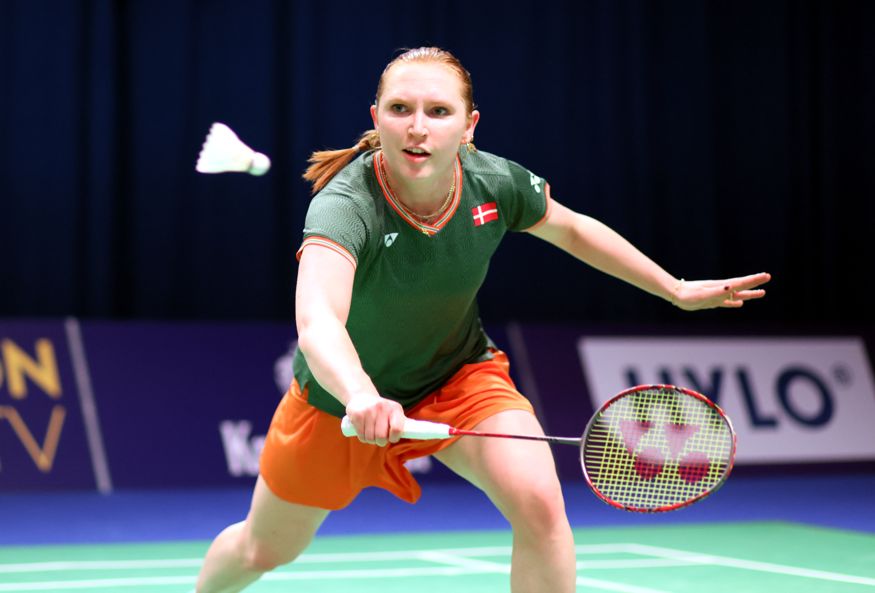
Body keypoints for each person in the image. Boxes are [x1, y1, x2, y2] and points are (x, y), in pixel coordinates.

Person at [194, 46, 770, 593]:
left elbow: (570, 227)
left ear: (468, 126)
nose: (418, 126)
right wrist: (361, 395)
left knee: (539, 503)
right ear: (378, 117)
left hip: (457, 377)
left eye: (438, 111)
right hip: (338, 403)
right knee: (263, 550)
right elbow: (319, 319)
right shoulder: (346, 204)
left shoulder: (495, 181)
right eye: (401, 109)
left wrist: (672, 288)